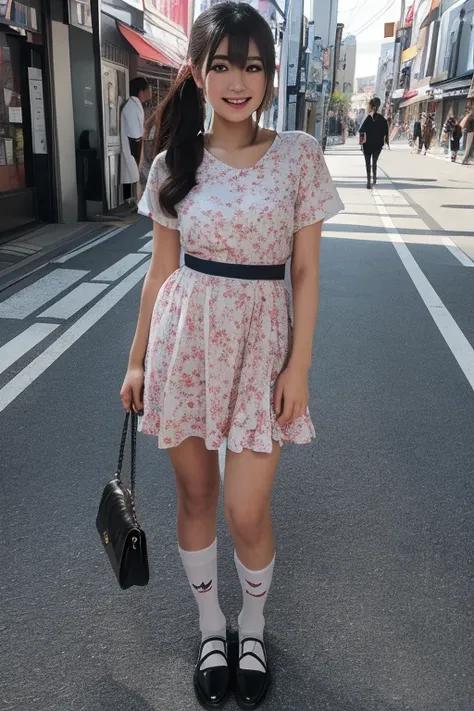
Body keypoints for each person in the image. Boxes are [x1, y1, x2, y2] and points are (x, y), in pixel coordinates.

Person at [120, 3, 343, 708]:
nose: (238, 80)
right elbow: (159, 274)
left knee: (246, 511)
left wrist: (299, 365)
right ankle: (211, 625)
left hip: (261, 348)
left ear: (271, 75)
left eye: (252, 65)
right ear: (198, 72)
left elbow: (304, 273)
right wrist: (135, 362)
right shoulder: (172, 163)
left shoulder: (298, 155)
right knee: (195, 494)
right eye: (222, 64)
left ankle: (254, 621)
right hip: (182, 346)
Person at [120, 77, 151, 203]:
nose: (149, 92)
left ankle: (132, 200)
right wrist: (138, 155)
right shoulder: (131, 107)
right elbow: (134, 134)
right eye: (148, 89)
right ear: (141, 91)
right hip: (132, 146)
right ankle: (130, 201)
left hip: (135, 145)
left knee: (131, 174)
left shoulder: (135, 105)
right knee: (131, 173)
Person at [358, 97, 389, 189]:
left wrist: (361, 143)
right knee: (374, 162)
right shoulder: (383, 120)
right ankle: (374, 179)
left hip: (367, 145)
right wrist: (385, 141)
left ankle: (368, 181)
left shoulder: (368, 118)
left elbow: (361, 131)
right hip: (378, 145)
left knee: (367, 163)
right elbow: (386, 133)